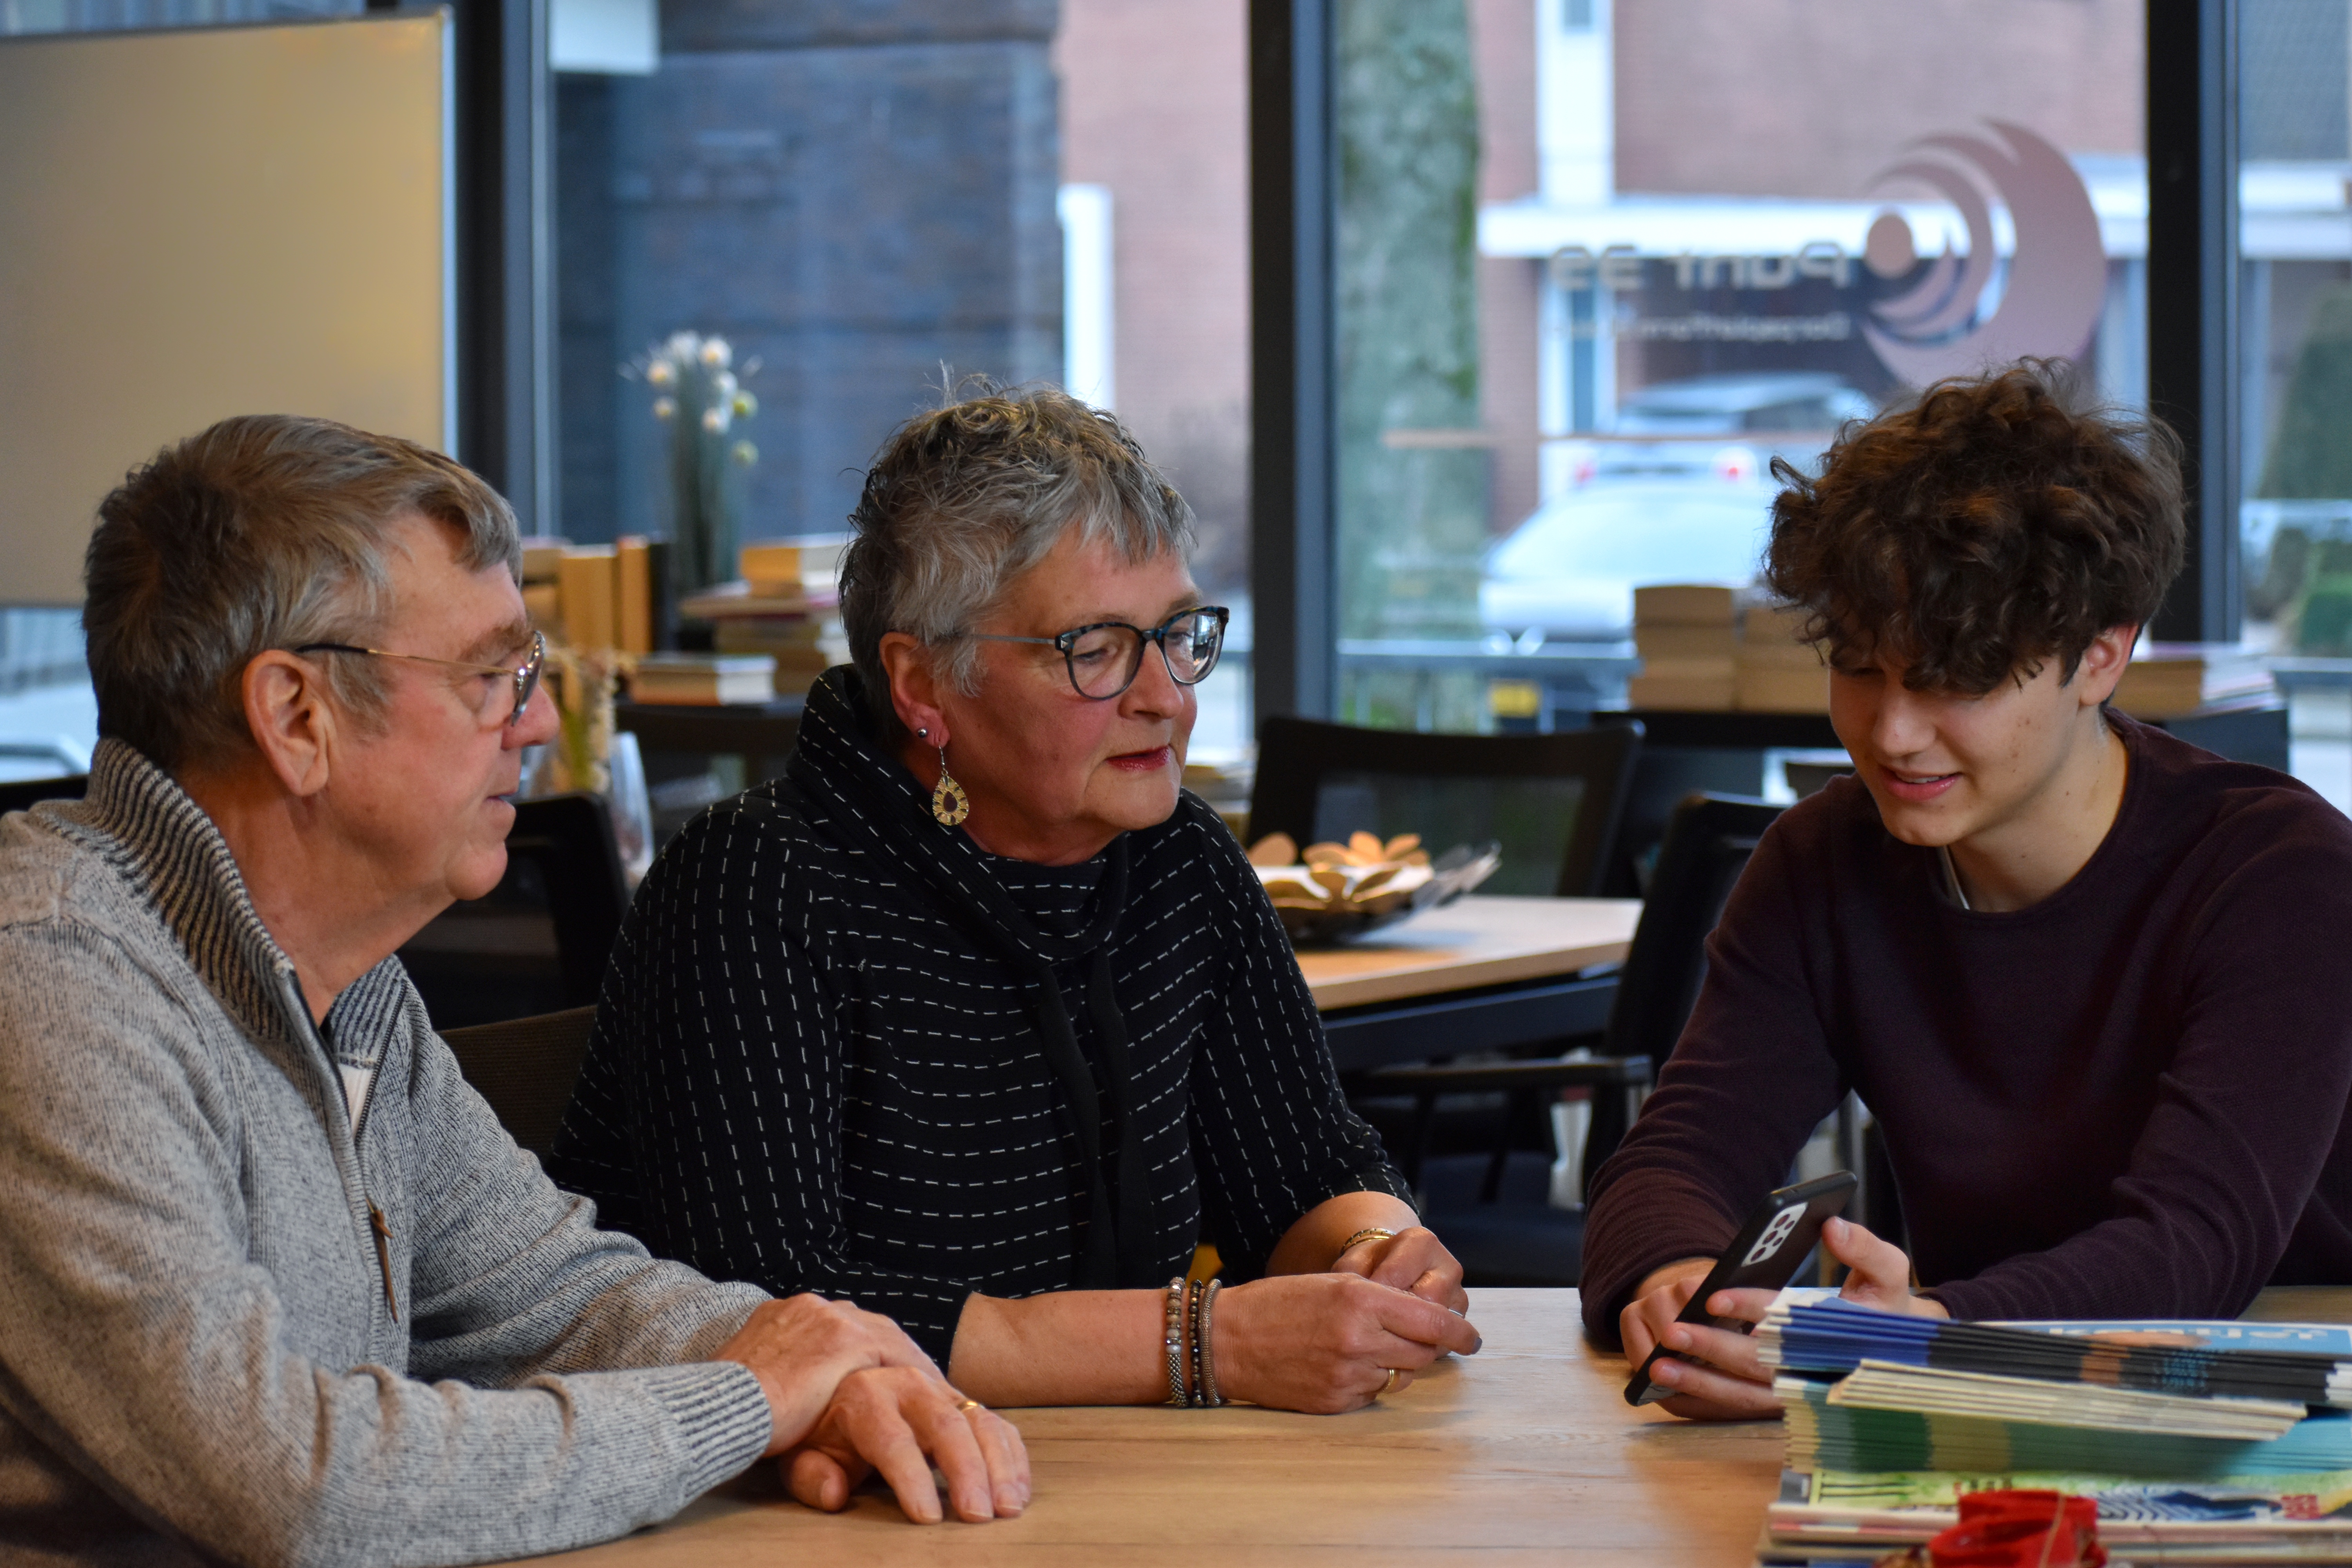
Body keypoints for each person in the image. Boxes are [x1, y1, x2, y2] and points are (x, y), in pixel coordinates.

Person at [0, 415, 1027, 1566]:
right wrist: (746, 1401)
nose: (539, 722)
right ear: (298, 718)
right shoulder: (48, 982)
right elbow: (290, 1483)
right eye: (495, 675)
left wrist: (820, 1367)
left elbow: (558, 1297)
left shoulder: (351, 983)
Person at [549, 386, 1480, 1414]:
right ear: (923, 685)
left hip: (1100, 1480)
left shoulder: (1178, 860)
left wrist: (1376, 1247)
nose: (1167, 696)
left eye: (1178, 633)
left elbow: (1304, 1166)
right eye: (1096, 650)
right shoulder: (755, 888)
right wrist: (1197, 1342)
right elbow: (768, 1311)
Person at [1579, 361, 2352, 1420]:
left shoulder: (2276, 871)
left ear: (2102, 655)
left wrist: (1923, 1336)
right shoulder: (1825, 861)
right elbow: (1679, 1153)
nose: (1893, 734)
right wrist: (1676, 1287)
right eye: (1860, 667)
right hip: (1972, 1410)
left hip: (2276, 1410)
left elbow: (2195, 1243)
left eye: (1956, 679)